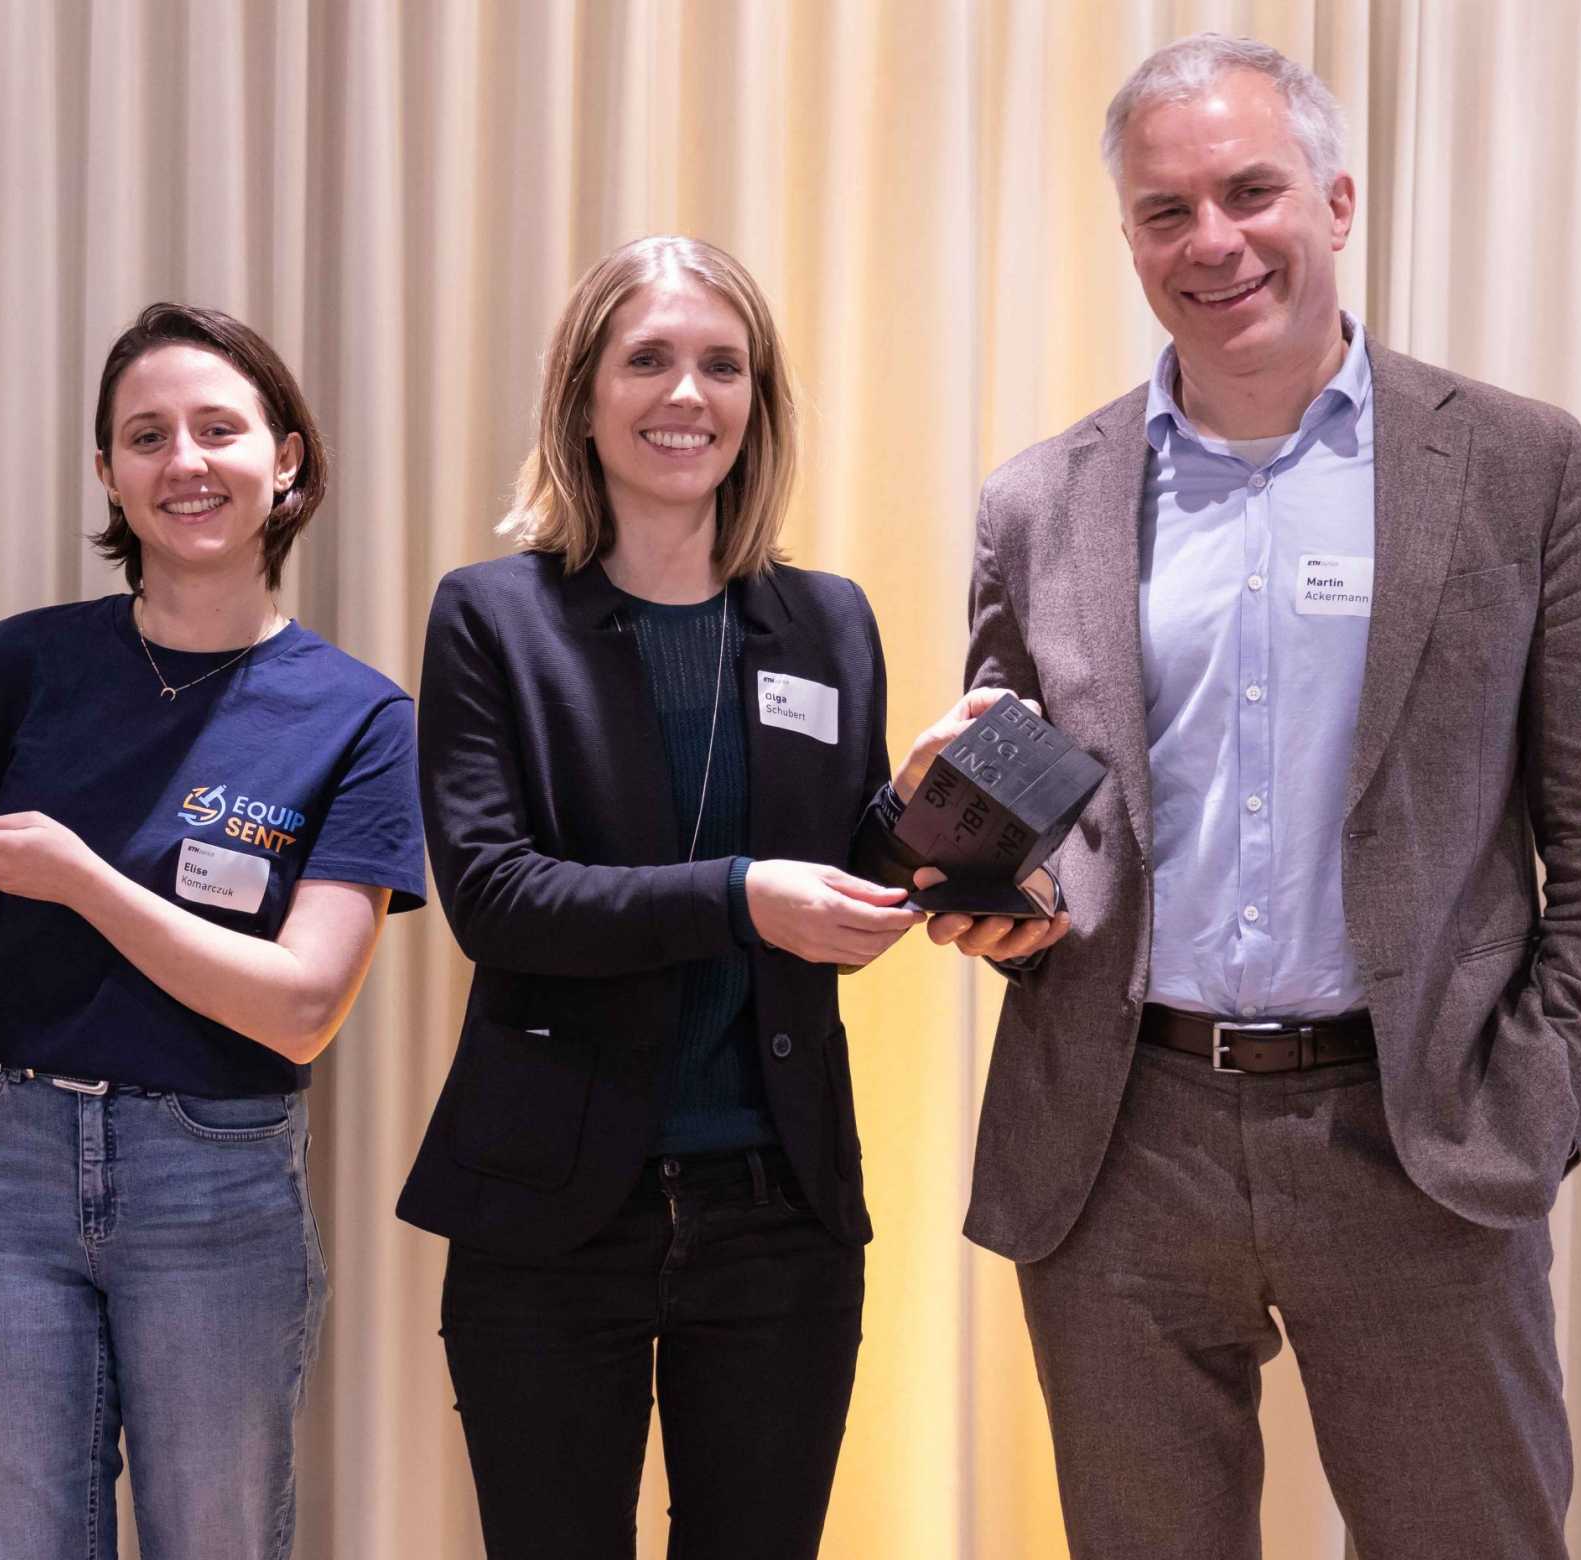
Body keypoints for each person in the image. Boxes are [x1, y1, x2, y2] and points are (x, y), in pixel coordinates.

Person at [928, 35, 1581, 1559]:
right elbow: (1034, 804)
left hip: (1418, 1140)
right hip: (1121, 1143)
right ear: (1130, 237)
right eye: (1165, 211)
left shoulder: (1517, 467)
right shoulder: (1037, 502)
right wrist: (994, 896)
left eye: (1250, 190)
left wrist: (1519, 1116)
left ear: (1336, 202)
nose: (1213, 241)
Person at [0, 302, 427, 1558]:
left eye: (218, 429)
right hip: (4, 1158)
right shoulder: (28, 662)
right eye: (145, 436)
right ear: (107, 474)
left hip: (213, 1174)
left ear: (287, 462)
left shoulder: (361, 715)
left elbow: (302, 1002)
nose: (184, 462)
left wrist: (88, 881)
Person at [393, 235, 923, 1560]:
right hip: (554, 1205)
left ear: (759, 401)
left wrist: (939, 818)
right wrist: (743, 897)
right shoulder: (492, 618)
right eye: (649, 360)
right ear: (584, 391)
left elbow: (845, 876)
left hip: (781, 1207)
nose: (687, 394)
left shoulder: (828, 621)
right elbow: (501, 901)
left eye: (722, 365)